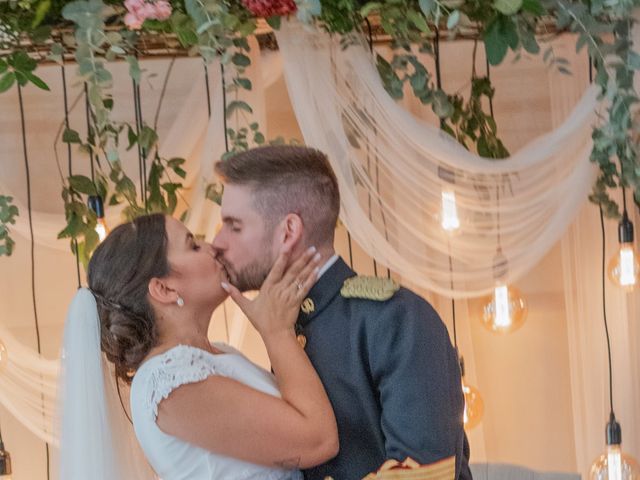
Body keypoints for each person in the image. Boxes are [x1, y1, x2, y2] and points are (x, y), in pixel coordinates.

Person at [213, 145, 473, 480]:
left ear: (288, 232)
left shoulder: (397, 319)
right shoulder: (287, 326)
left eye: (234, 225)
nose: (217, 242)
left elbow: (423, 474)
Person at [58, 213, 338, 480]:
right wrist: (275, 331)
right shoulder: (170, 383)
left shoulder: (219, 355)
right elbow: (318, 440)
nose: (213, 247)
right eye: (193, 245)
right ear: (164, 290)